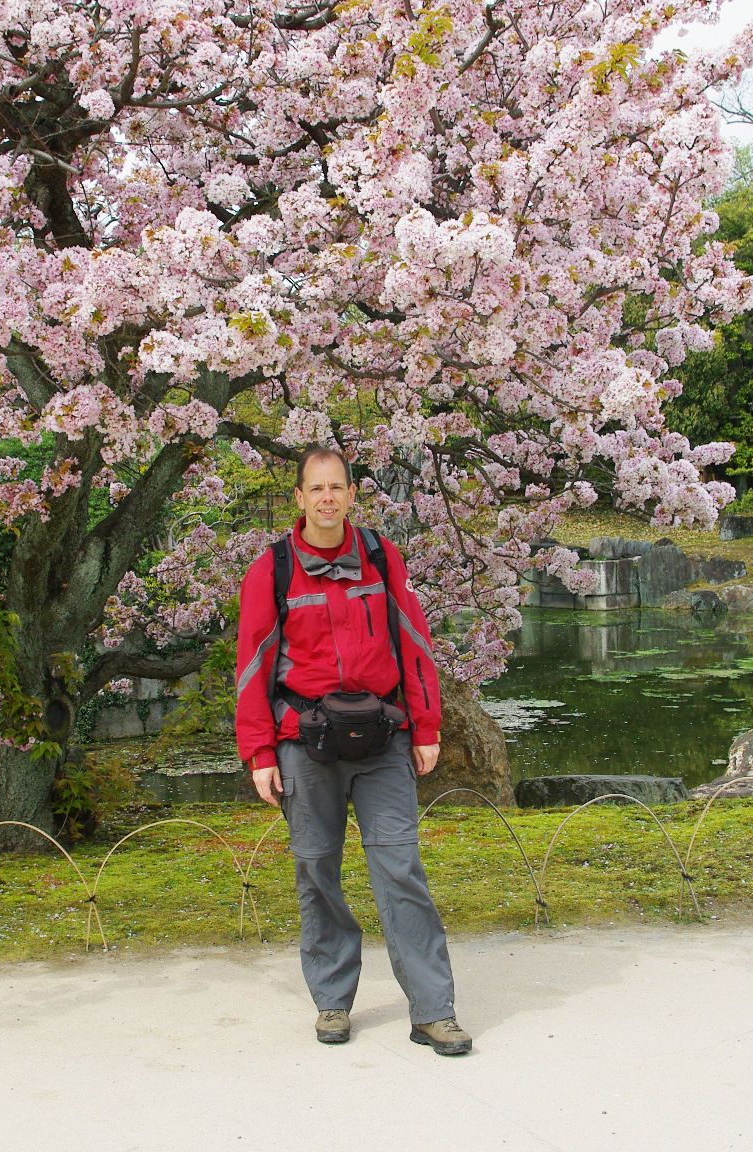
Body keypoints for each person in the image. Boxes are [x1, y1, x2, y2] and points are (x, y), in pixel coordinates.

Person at [232, 446, 472, 1056]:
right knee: (316, 869)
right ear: (299, 498)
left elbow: (414, 640)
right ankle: (333, 1001)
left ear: (351, 494)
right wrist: (260, 751)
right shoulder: (273, 569)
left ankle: (433, 1010)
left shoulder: (379, 556)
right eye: (317, 489)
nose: (328, 498)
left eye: (337, 487)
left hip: (382, 738)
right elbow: (254, 664)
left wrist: (426, 725)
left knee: (400, 866)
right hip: (304, 746)